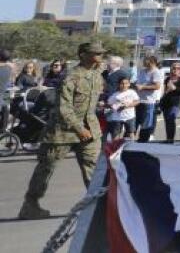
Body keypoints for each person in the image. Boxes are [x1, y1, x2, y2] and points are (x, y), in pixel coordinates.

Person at [20, 41, 106, 219]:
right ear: (83, 55)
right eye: (95, 53)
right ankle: (31, 204)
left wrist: (85, 129)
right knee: (46, 167)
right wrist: (79, 128)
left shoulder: (97, 73)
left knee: (93, 167)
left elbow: (102, 67)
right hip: (62, 131)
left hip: (90, 129)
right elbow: (64, 109)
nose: (100, 57)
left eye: (101, 54)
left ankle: (98, 207)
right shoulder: (70, 77)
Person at [134, 55, 163, 142]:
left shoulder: (156, 72)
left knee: (146, 122)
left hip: (148, 101)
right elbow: (138, 81)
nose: (143, 62)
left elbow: (157, 86)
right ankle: (132, 138)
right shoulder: (142, 71)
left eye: (145, 60)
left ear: (151, 62)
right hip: (138, 99)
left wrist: (143, 87)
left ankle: (143, 139)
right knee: (136, 120)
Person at [160, 61, 180, 144]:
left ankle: (171, 139)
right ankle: (168, 138)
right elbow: (165, 91)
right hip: (166, 102)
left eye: (178, 68)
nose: (175, 70)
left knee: (171, 118)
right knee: (167, 121)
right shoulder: (168, 79)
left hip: (176, 103)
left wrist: (174, 88)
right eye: (173, 68)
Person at [104, 74, 139, 142]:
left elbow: (137, 101)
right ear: (118, 84)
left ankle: (132, 146)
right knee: (116, 134)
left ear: (129, 84)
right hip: (117, 118)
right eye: (122, 83)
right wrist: (115, 106)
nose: (124, 85)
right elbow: (109, 104)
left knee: (131, 133)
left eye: (126, 83)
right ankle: (115, 148)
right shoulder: (115, 95)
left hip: (130, 117)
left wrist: (128, 105)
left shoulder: (132, 92)